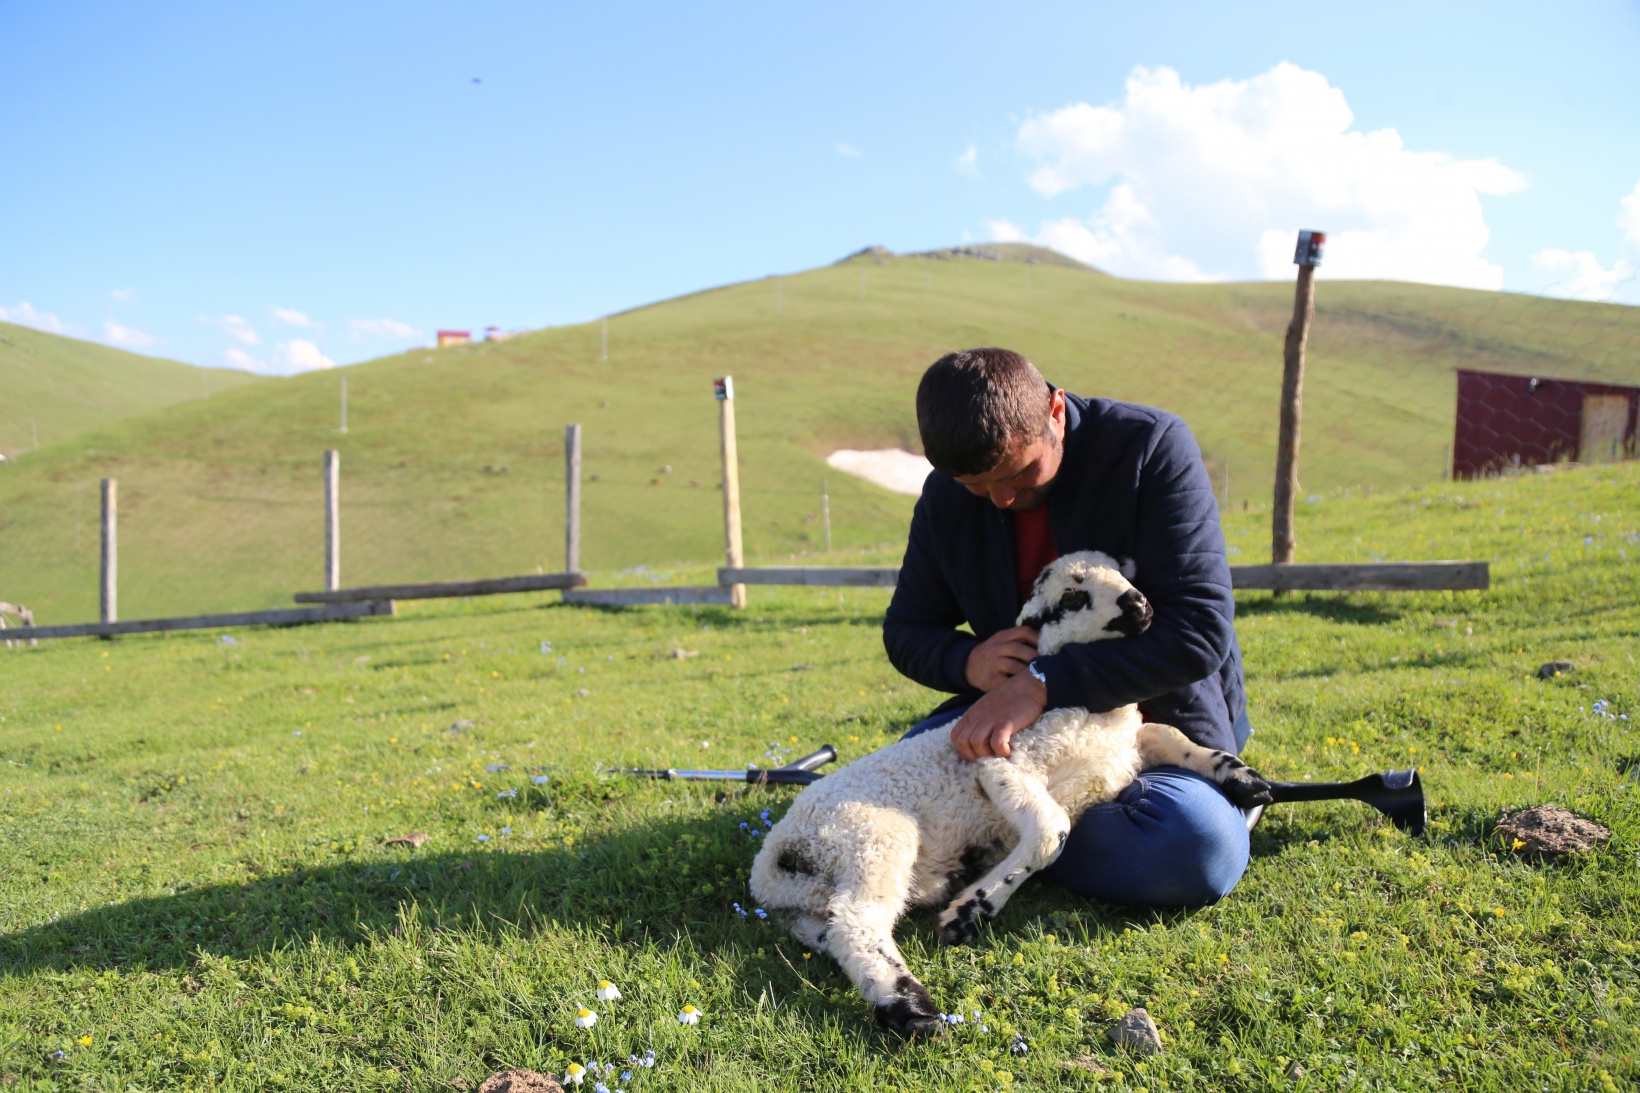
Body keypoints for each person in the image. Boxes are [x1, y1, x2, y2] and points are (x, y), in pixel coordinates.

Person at [883, 347, 1255, 907]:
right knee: (892, 786)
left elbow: (1198, 632)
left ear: (1055, 411)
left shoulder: (1149, 447)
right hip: (1024, 740)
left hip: (1150, 731)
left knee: (1194, 848)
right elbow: (908, 629)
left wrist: (1042, 682)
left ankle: (995, 842)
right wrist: (970, 661)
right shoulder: (945, 494)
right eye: (977, 486)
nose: (1002, 498)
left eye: (1020, 472)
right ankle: (1030, 838)